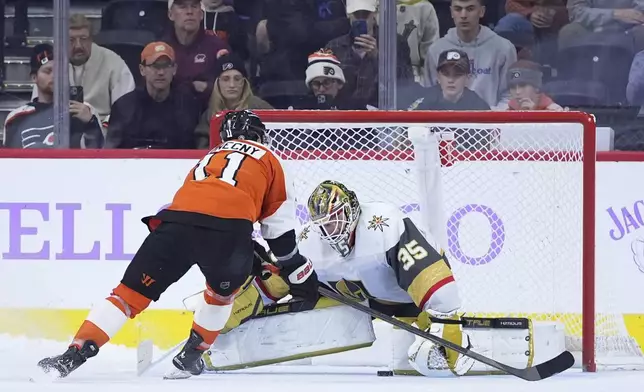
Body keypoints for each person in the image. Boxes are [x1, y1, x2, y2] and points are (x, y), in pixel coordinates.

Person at [36, 110, 319, 380]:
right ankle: (192, 355)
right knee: (221, 295)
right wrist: (294, 268)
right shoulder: (271, 158)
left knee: (127, 295)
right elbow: (277, 231)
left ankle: (73, 354)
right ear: (259, 135)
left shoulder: (210, 156)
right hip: (228, 234)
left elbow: (196, 206)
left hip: (175, 226)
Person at [206, 180, 476, 377]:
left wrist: (446, 322)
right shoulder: (309, 241)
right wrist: (220, 317)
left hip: (412, 300)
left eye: (336, 220)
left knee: (426, 354)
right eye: (323, 224)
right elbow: (275, 281)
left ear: (352, 210)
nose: (331, 230)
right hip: (368, 302)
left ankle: (447, 331)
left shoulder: (384, 224)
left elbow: (430, 276)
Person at [3, 43, 104, 149]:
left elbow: (98, 156)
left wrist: (91, 123)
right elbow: (10, 161)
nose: (55, 76)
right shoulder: (16, 117)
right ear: (34, 78)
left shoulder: (84, 110)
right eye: (48, 71)